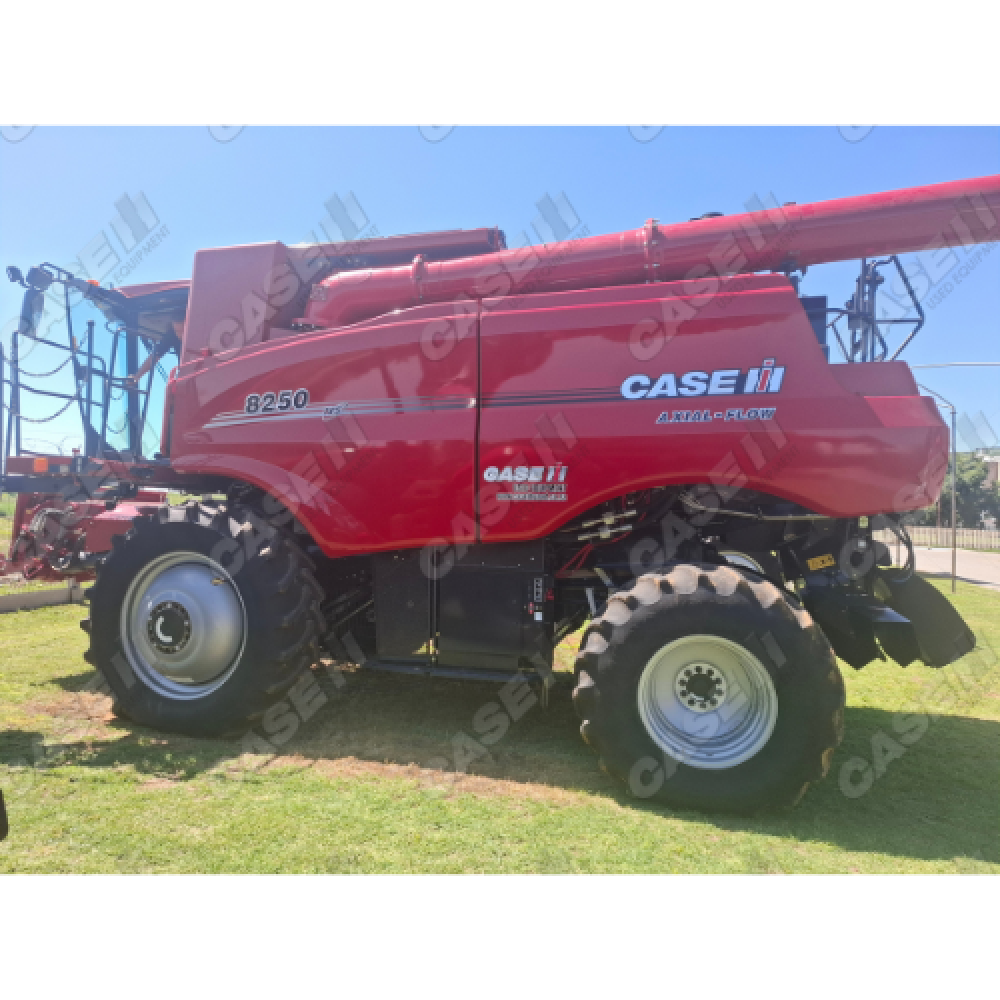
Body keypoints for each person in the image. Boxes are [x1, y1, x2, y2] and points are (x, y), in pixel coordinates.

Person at [126, 309, 184, 386]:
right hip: (186, 377)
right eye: (177, 331)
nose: (180, 335)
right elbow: (155, 356)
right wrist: (137, 376)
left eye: (183, 331)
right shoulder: (172, 335)